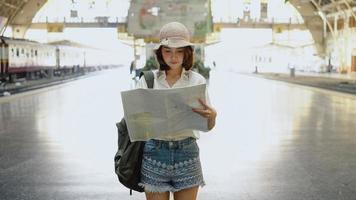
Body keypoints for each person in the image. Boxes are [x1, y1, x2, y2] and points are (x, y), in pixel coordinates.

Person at [136, 22, 217, 200]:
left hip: (187, 153)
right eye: (168, 51)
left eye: (179, 51)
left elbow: (208, 126)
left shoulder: (196, 81)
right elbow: (138, 125)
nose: (173, 57)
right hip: (154, 153)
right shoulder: (148, 80)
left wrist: (213, 116)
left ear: (187, 53)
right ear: (160, 53)